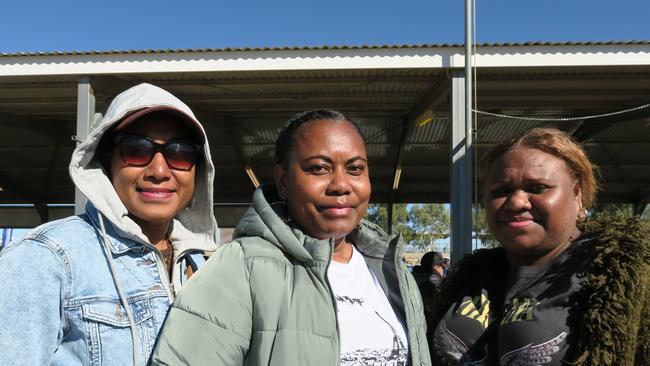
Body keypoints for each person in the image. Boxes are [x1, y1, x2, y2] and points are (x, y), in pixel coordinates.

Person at [151, 109, 431, 365]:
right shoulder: (242, 268)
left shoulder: (391, 271)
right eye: (319, 168)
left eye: (355, 168)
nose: (341, 185)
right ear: (284, 182)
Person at [0, 83, 218, 366]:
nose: (159, 171)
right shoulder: (46, 258)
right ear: (106, 161)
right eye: (137, 149)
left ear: (199, 170)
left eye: (181, 153)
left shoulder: (202, 265)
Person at [430, 128, 649, 366]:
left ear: (577, 195)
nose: (516, 202)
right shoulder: (472, 275)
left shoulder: (627, 276)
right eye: (500, 191)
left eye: (537, 188)